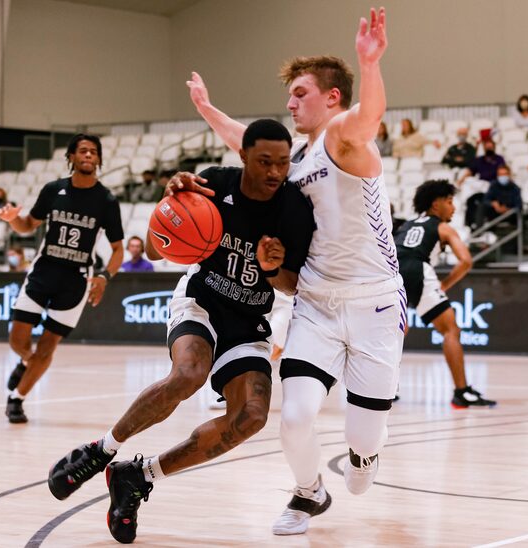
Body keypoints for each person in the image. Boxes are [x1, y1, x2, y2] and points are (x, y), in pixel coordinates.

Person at [187, 7, 406, 536]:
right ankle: (308, 493)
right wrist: (207, 109)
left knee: (363, 449)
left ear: (332, 97)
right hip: (315, 300)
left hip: (375, 303)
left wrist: (368, 64)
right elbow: (246, 140)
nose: (290, 102)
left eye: (301, 92)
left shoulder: (346, 137)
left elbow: (369, 115)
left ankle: (363, 458)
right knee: (294, 415)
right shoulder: (297, 157)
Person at [47, 120, 315, 544]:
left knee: (252, 417)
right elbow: (156, 250)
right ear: (242, 155)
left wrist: (271, 268)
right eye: (264, 161)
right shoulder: (210, 185)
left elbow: (293, 285)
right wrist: (170, 203)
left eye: (282, 163)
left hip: (250, 320)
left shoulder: (295, 210)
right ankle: (102, 451)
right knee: (189, 373)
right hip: (202, 299)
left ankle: (137, 475)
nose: (274, 172)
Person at [0, 133, 124, 424]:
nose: (89, 155)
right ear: (71, 158)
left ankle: (17, 399)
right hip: (43, 272)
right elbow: (28, 224)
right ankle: (26, 362)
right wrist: (13, 220)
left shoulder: (106, 200)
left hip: (76, 280)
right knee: (18, 340)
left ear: (99, 160)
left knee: (48, 345)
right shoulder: (54, 190)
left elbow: (118, 250)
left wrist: (105, 276)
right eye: (82, 151)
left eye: (94, 151)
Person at [394, 180, 495, 408]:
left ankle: (384, 390)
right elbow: (466, 261)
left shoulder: (405, 225)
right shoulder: (443, 227)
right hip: (418, 269)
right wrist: (445, 284)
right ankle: (462, 392)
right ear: (435, 204)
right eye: (450, 202)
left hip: (392, 271)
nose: (454, 208)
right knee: (451, 330)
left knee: (396, 332)